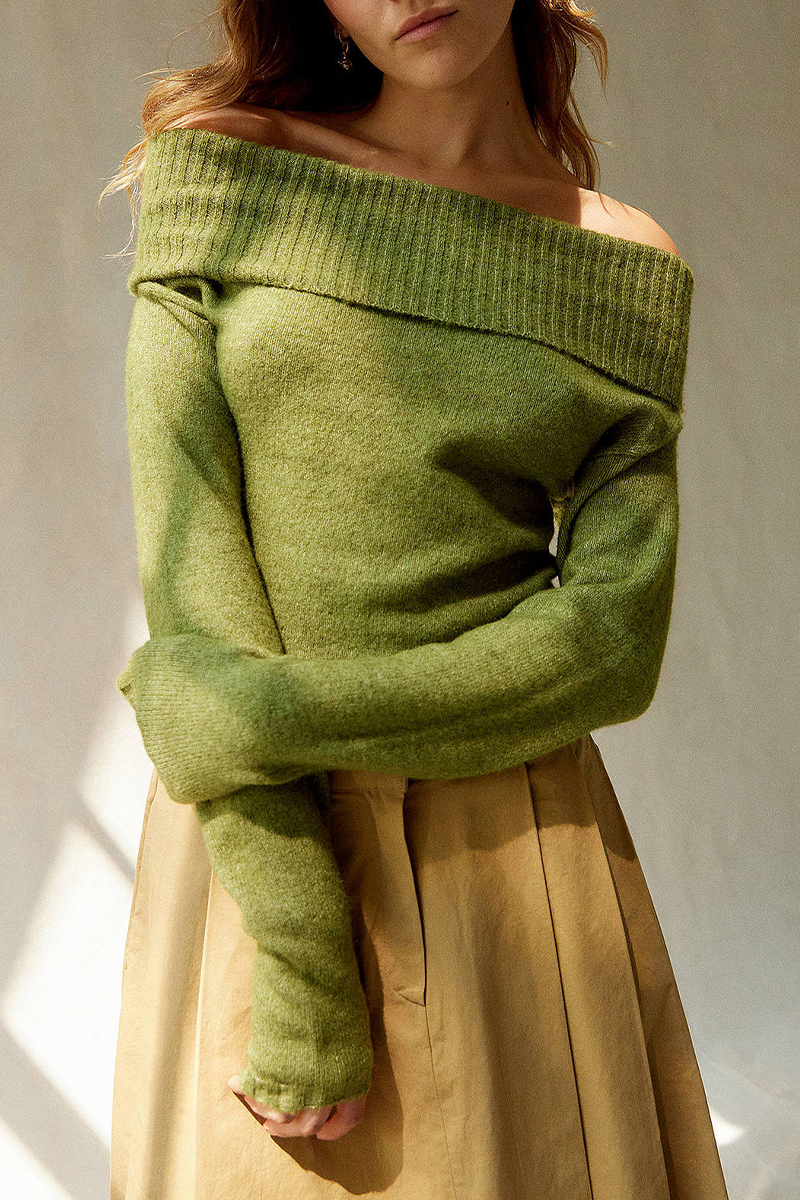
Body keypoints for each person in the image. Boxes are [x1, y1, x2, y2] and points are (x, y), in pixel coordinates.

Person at [102, 2, 730, 1197]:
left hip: (510, 852)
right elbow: (192, 577)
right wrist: (302, 956)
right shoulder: (229, 168)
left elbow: (610, 641)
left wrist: (267, 716)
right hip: (258, 838)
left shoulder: (621, 264)